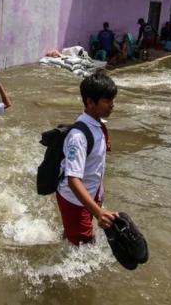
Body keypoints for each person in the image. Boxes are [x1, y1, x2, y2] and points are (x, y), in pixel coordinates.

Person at [56, 69, 119, 246]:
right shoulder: (78, 136)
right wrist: (99, 212)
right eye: (107, 101)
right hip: (75, 200)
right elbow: (73, 180)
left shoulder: (98, 124)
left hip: (92, 194)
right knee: (85, 246)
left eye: (112, 100)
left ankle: (66, 238)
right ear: (90, 102)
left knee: (75, 238)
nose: (112, 105)